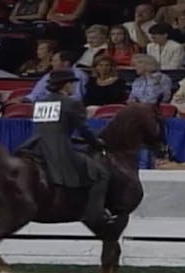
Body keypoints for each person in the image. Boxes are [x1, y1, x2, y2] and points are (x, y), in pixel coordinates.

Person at [16, 69, 115, 229]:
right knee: (101, 173)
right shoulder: (71, 103)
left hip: (35, 146)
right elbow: (83, 129)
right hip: (58, 149)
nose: (73, 86)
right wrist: (96, 142)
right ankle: (95, 213)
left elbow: (50, 128)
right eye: (71, 83)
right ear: (65, 85)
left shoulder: (40, 103)